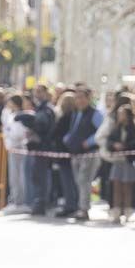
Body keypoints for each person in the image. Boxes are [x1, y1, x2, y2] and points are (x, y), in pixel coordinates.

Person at [63, 87, 103, 221]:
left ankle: (84, 209)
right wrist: (68, 138)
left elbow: (101, 132)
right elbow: (73, 129)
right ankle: (81, 207)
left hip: (90, 153)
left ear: (88, 98)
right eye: (77, 98)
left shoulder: (95, 113)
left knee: (84, 180)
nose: (79, 100)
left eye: (82, 97)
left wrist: (89, 141)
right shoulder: (76, 113)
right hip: (76, 153)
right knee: (78, 181)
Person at [16, 83, 55, 216]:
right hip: (36, 148)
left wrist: (31, 122)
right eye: (35, 91)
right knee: (36, 176)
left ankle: (41, 203)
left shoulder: (47, 109)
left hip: (43, 148)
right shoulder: (39, 108)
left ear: (46, 93)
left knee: (41, 177)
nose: (37, 94)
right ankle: (37, 202)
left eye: (40, 91)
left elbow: (42, 125)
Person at [52, 90, 79, 218]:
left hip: (64, 154)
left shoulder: (65, 118)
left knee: (68, 181)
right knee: (73, 181)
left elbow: (57, 135)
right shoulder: (75, 117)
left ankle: (70, 205)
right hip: (71, 153)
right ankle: (73, 204)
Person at [107, 104, 135, 223]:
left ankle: (128, 211)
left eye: (122, 114)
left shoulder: (132, 128)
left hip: (128, 161)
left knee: (127, 187)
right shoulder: (116, 128)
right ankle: (116, 211)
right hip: (117, 161)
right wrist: (114, 145)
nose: (120, 116)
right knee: (116, 186)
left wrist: (125, 146)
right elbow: (109, 141)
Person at [2, 93, 30, 213]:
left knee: (18, 175)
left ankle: (19, 201)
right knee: (13, 176)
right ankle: (14, 199)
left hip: (18, 148)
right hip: (12, 148)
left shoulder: (20, 116)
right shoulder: (11, 115)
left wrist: (9, 134)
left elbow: (17, 133)